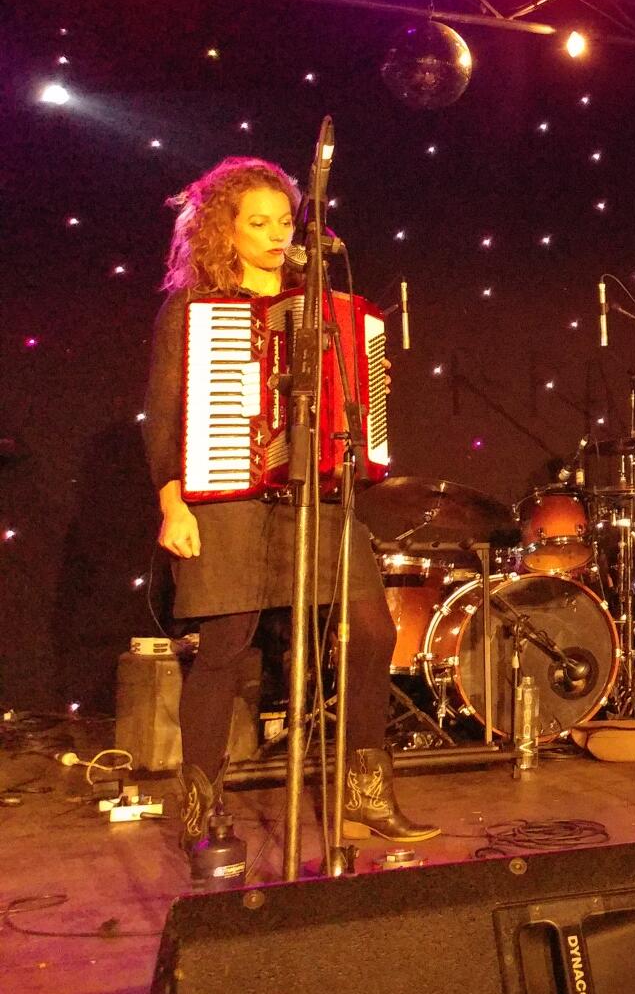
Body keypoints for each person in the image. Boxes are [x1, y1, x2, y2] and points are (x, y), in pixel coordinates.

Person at [144, 156, 436, 864]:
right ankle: (202, 810)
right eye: (260, 223)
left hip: (317, 495)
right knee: (225, 647)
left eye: (284, 221)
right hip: (230, 495)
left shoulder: (322, 304)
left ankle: (365, 794)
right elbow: (164, 414)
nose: (278, 235)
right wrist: (172, 503)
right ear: (225, 230)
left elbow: (350, 401)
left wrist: (369, 383)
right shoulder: (198, 310)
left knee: (371, 631)